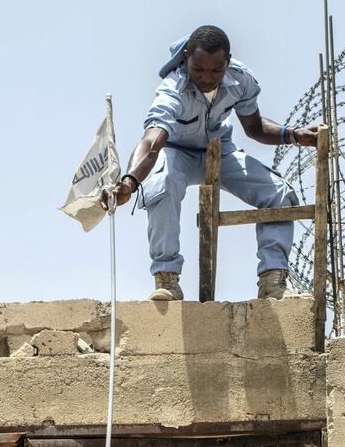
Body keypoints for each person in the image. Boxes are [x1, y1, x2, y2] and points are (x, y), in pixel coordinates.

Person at [109, 25, 319, 301]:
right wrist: (130, 182)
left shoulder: (241, 81)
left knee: (278, 193)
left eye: (215, 71)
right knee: (162, 183)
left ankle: (273, 282)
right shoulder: (173, 90)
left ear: (227, 62)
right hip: (177, 152)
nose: (206, 78)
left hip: (219, 152)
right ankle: (167, 279)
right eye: (198, 70)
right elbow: (152, 142)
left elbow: (254, 128)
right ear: (186, 59)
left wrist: (291, 135)